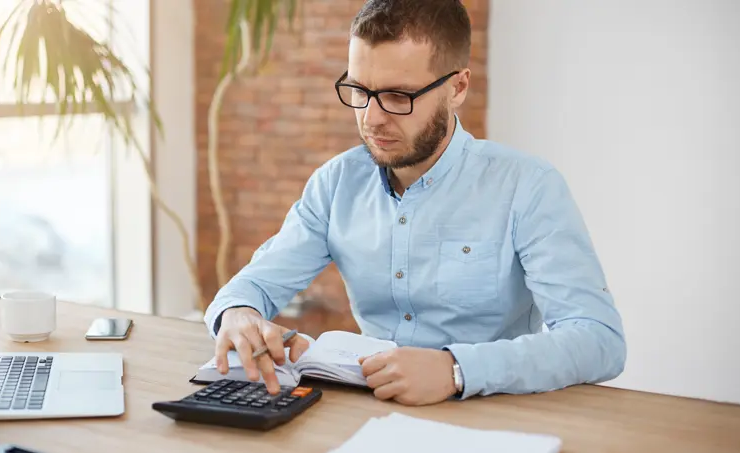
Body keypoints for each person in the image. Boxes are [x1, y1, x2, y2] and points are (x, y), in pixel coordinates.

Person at [205, 0, 626, 406]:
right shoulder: (336, 184)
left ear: (458, 87)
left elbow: (598, 339)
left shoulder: (528, 187)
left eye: (398, 96)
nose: (371, 119)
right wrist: (240, 314)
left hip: (494, 414)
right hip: (370, 409)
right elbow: (253, 286)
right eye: (359, 90)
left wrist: (455, 369)